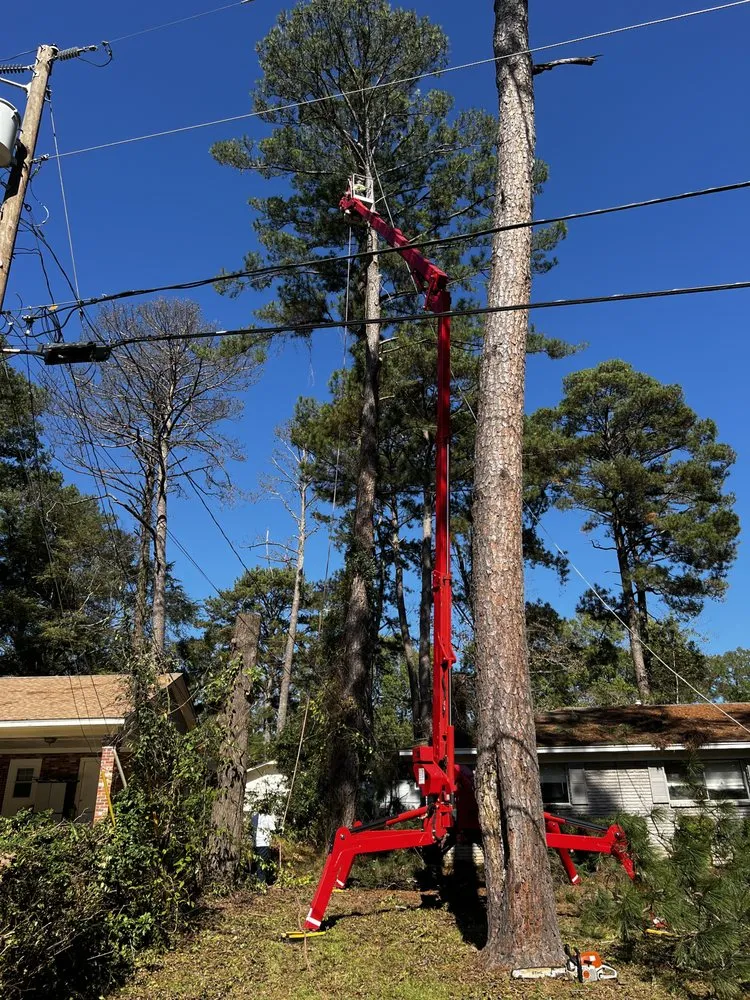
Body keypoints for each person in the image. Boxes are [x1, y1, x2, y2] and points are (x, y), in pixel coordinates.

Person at [251, 811, 277, 884]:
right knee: (262, 864)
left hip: (255, 844)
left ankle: (259, 880)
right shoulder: (268, 817)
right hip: (263, 844)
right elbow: (273, 830)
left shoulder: (254, 817)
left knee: (258, 863)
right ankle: (261, 882)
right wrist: (280, 829)